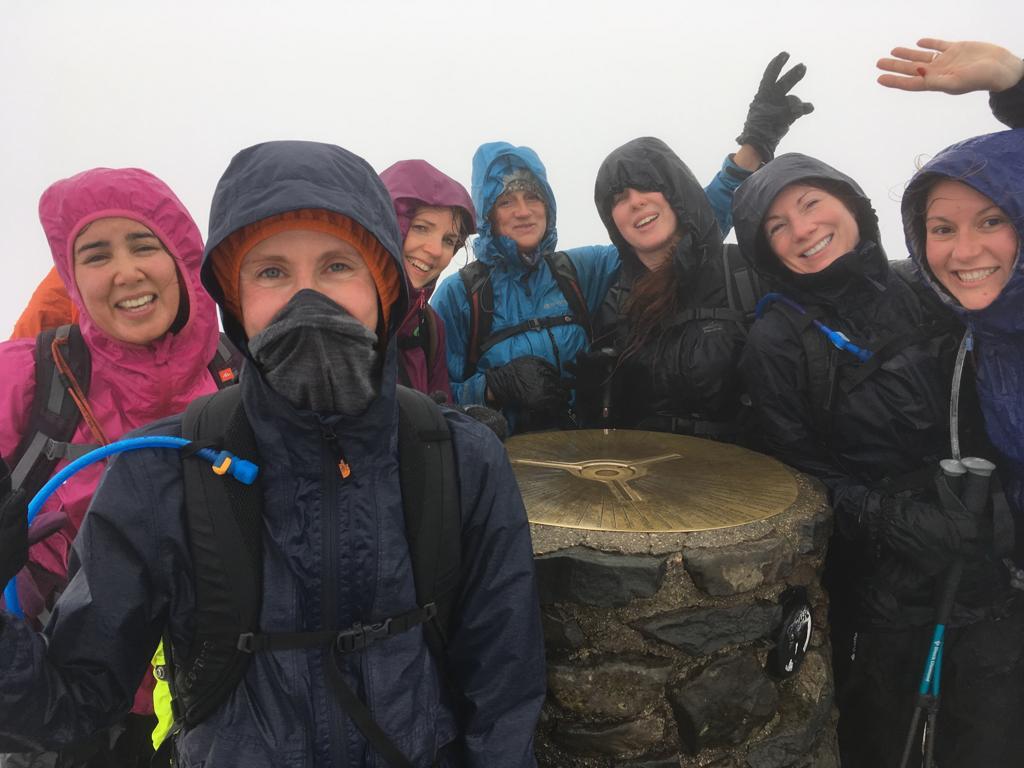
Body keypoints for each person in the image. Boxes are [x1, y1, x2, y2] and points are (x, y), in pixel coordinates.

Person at [0, 140, 545, 767]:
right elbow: (69, 707)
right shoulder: (163, 471)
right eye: (271, 272)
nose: (305, 299)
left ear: (385, 285)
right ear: (234, 301)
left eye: (339, 265)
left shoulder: (459, 459)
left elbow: (503, 694)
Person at [732, 40, 1024, 767]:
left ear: (851, 203)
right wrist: (893, 520)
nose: (802, 229)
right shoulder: (775, 339)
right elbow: (794, 474)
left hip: (993, 567)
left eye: (811, 204)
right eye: (777, 227)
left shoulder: (930, 284)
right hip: (887, 593)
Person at [431, 53, 813, 434]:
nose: (523, 211)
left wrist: (753, 148)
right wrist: (493, 389)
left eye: (533, 198)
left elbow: (684, 233)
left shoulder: (578, 272)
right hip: (506, 467)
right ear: (488, 214)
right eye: (505, 202)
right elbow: (430, 395)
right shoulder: (462, 295)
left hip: (585, 465)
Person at [0, 167, 226, 768]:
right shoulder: (26, 378)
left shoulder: (240, 375)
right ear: (73, 277)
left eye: (144, 244)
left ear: (182, 256)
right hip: (63, 691)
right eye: (96, 255)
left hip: (216, 693)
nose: (125, 271)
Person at [379, 159, 476, 401]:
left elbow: (440, 411)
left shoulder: (431, 328)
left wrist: (462, 428)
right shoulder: (339, 313)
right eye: (421, 227)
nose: (434, 250)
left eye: (448, 240)